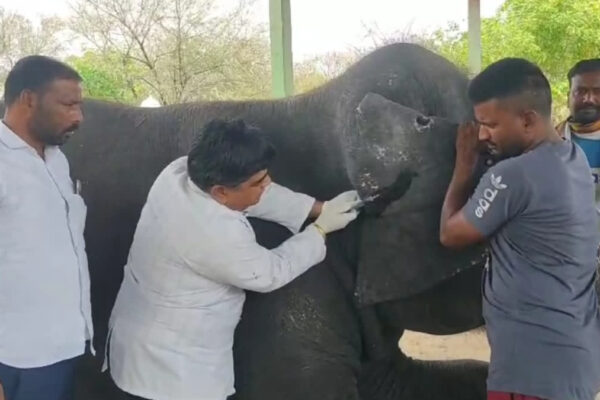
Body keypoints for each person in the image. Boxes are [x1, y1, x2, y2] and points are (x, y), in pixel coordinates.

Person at [105, 119, 361, 400]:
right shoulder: (210, 234)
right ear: (220, 192)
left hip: (139, 337)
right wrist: (320, 229)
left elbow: (252, 193)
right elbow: (268, 273)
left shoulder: (180, 172)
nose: (268, 185)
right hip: (172, 371)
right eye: (258, 182)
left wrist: (319, 208)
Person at [439, 58, 600, 400]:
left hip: (530, 370)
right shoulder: (574, 159)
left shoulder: (512, 175)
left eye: (490, 124)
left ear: (528, 119)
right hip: (574, 361)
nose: (482, 135)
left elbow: (451, 234)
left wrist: (463, 166)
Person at [0, 56, 91, 400]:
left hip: (62, 345)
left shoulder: (56, 159)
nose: (78, 117)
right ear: (28, 99)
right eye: (68, 105)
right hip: (15, 358)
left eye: (80, 106)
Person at [556, 59, 600, 224]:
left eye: (598, 91)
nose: (589, 99)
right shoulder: (549, 142)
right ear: (569, 97)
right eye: (580, 91)